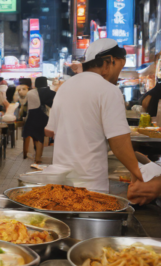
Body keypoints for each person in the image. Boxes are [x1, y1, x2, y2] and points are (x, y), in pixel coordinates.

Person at [45, 39, 142, 192]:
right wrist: (139, 173)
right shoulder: (109, 90)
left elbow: (51, 130)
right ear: (107, 63)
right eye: (119, 67)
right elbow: (119, 142)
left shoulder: (65, 87)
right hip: (90, 186)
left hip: (60, 183)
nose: (118, 75)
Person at [23, 77, 55, 162]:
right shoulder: (50, 93)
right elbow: (52, 105)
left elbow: (26, 105)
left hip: (31, 116)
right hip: (42, 116)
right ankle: (38, 157)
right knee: (40, 136)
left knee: (35, 136)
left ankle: (36, 155)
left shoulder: (30, 92)